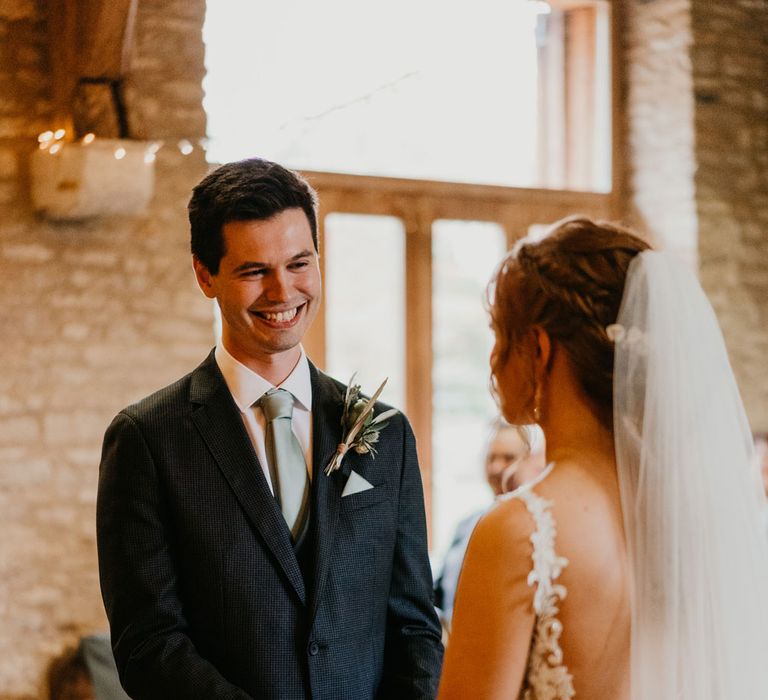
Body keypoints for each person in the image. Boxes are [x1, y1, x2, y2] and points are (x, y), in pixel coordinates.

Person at [97, 157, 443, 699]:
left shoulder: (385, 432)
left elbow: (415, 626)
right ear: (205, 275)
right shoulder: (147, 440)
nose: (283, 292)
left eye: (299, 263)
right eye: (255, 271)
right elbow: (150, 645)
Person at [438, 216, 768, 699]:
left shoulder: (519, 531)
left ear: (538, 349)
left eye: (499, 334)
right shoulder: (695, 521)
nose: (492, 360)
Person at [433, 420, 544, 628]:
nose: (495, 467)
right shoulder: (466, 525)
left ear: (532, 462)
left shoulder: (538, 533)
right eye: (491, 458)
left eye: (508, 458)